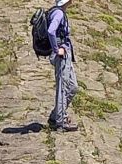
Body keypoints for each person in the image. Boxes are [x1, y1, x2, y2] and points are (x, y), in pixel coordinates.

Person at [46, 0, 79, 131]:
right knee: (63, 87)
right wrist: (56, 49)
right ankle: (60, 122)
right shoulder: (59, 14)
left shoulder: (57, 12)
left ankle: (56, 116)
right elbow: (51, 31)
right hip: (62, 55)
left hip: (64, 54)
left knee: (73, 87)